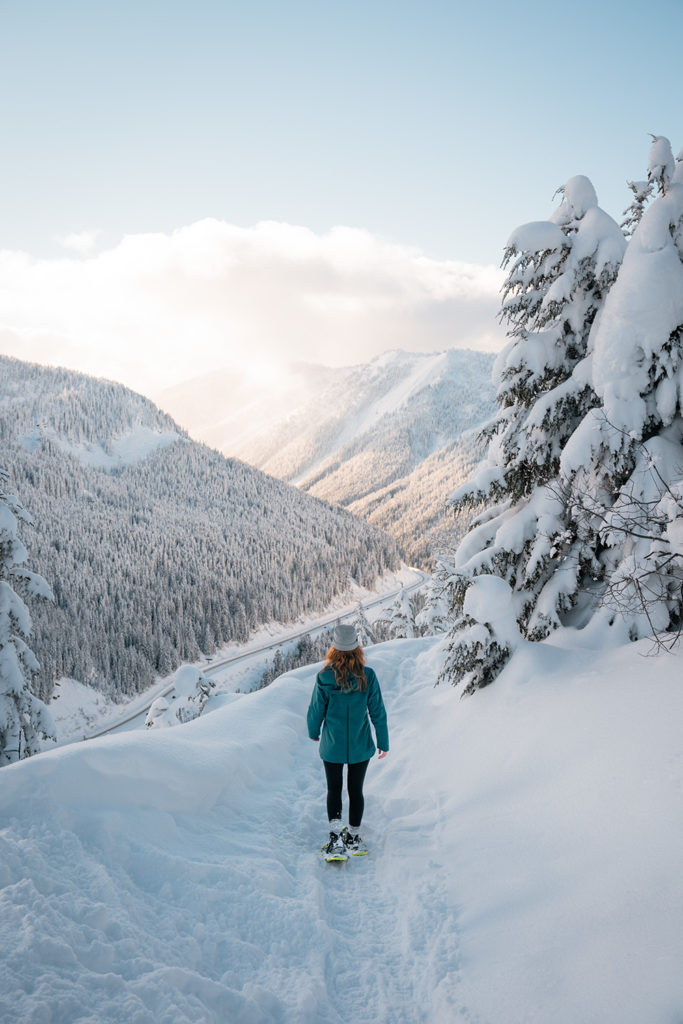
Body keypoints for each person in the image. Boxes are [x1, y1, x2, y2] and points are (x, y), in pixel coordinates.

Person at [307, 623, 389, 857]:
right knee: (356, 789)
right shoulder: (368, 676)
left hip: (332, 744)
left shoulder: (324, 676)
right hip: (360, 745)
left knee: (334, 789)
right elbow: (378, 712)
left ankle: (336, 840)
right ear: (356, 648)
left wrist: (314, 732)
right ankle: (353, 837)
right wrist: (383, 741)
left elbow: (316, 709)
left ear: (334, 648)